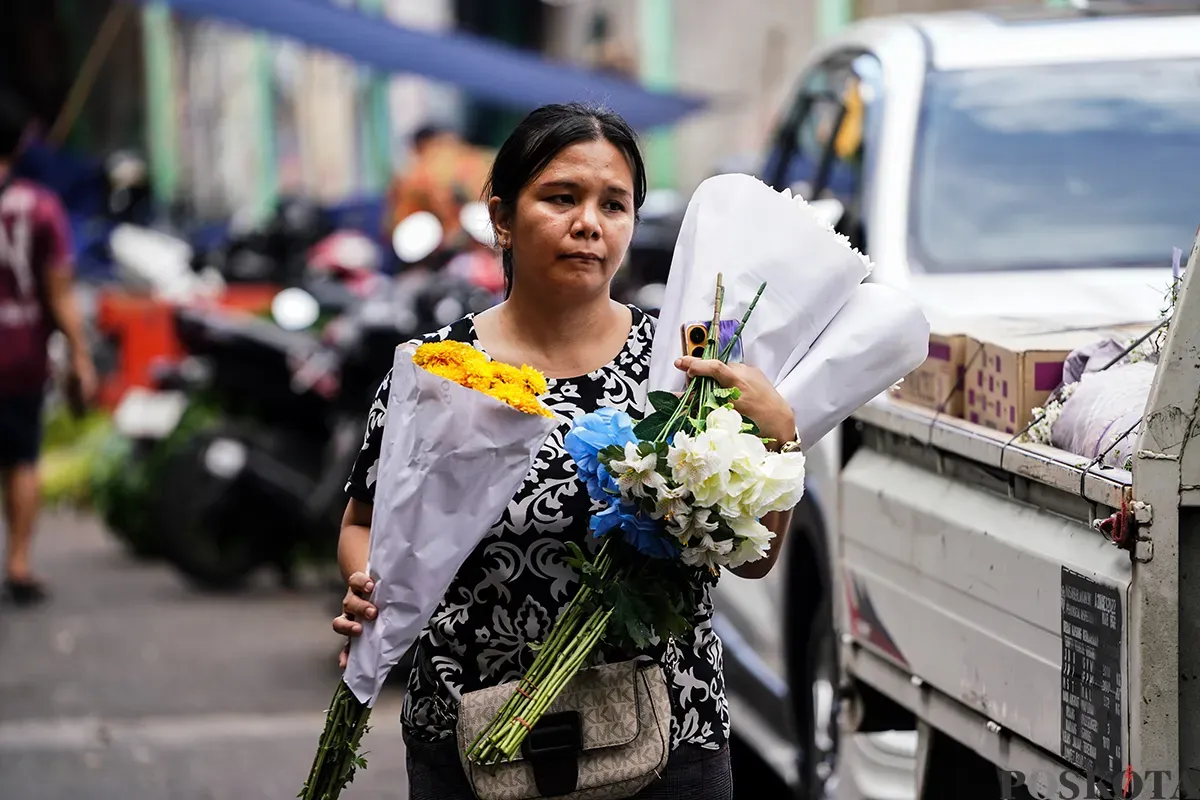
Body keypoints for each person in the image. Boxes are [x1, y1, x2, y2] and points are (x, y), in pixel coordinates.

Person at [334, 102, 801, 798]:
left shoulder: (688, 365)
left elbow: (756, 559)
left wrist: (779, 436)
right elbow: (365, 522)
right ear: (501, 218)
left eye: (613, 204)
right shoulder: (437, 370)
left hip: (667, 733)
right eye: (561, 197)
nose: (589, 222)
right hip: (471, 734)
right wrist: (368, 590)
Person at [0, 91, 96, 606]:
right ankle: (17, 561)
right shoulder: (39, 206)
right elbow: (59, 292)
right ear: (22, 141)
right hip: (19, 354)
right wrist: (79, 354)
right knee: (22, 458)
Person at [382, 124, 494, 251]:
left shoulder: (416, 172)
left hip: (438, 240)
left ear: (420, 145)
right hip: (468, 234)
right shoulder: (472, 158)